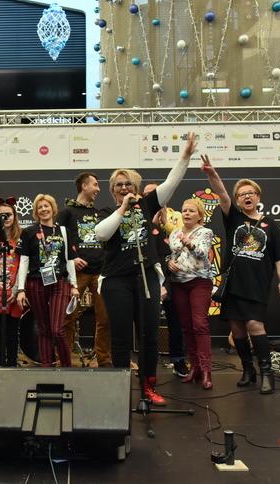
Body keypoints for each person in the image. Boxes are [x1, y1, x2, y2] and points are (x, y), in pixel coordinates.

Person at [94, 132, 198, 406]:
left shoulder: (148, 204)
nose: (124, 187)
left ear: (136, 187)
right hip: (116, 280)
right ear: (112, 190)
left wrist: (185, 156)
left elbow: (171, 182)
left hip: (146, 276)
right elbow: (102, 234)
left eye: (128, 183)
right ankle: (119, 390)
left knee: (149, 334)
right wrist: (122, 209)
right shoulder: (106, 212)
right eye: (118, 184)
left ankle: (148, 387)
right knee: (120, 336)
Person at [201, 154, 280, 395]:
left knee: (254, 324)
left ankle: (267, 373)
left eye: (251, 193)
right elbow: (222, 194)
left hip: (256, 284)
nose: (246, 196)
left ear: (258, 197)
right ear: (238, 200)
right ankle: (248, 370)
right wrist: (212, 174)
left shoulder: (271, 224)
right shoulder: (234, 217)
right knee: (237, 328)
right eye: (241, 194)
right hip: (233, 283)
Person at [16, 194, 79, 367]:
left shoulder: (63, 232)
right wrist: (21, 289)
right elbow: (24, 261)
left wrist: (74, 285)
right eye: (40, 207)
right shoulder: (28, 232)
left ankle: (66, 367)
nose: (44, 209)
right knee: (43, 329)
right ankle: (46, 367)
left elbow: (70, 260)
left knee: (57, 329)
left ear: (53, 208)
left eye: (46, 206)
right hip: (36, 282)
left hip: (60, 282)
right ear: (36, 212)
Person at [57, 172, 112, 367]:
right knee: (67, 318)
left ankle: (104, 360)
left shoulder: (99, 213)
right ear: (84, 186)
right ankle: (64, 360)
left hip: (100, 272)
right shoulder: (66, 212)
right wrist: (71, 259)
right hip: (76, 274)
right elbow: (57, 240)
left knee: (105, 318)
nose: (98, 189)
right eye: (95, 185)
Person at [168, 199, 215, 389]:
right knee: (186, 327)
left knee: (200, 324)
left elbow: (203, 253)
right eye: (184, 210)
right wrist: (168, 262)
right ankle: (194, 367)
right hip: (178, 283)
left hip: (199, 282)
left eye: (191, 211)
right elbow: (171, 255)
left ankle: (206, 370)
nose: (186, 213)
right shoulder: (174, 233)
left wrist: (190, 244)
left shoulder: (205, 232)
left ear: (200, 215)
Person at [144, 183, 189, 379]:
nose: (150, 197)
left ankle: (179, 360)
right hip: (148, 272)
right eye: (146, 195)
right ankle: (146, 365)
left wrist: (164, 222)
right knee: (146, 323)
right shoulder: (139, 216)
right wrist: (152, 224)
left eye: (154, 194)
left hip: (172, 274)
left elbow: (182, 238)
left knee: (176, 321)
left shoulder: (177, 215)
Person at [0, 197, 22, 367]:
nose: (6, 218)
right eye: (2, 215)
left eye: (9, 214)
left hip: (14, 288)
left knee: (12, 331)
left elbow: (23, 265)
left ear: (15, 216)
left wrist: (16, 289)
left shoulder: (21, 238)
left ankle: (12, 363)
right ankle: (0, 363)